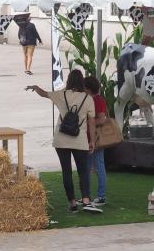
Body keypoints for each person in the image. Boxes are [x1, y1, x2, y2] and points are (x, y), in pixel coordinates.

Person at [25, 70, 101, 214]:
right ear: (82, 82)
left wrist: (35, 87)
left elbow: (45, 93)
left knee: (66, 172)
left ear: (68, 81)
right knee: (83, 171)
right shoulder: (87, 99)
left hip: (61, 139)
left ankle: (72, 203)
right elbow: (92, 122)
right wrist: (92, 141)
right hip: (80, 140)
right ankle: (86, 200)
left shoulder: (61, 94)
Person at [84, 75, 108, 206]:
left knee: (98, 166)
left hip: (96, 139)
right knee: (87, 167)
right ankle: (86, 195)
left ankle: (101, 196)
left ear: (88, 89)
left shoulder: (97, 101)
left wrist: (88, 122)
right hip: (87, 139)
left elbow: (102, 119)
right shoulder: (92, 100)